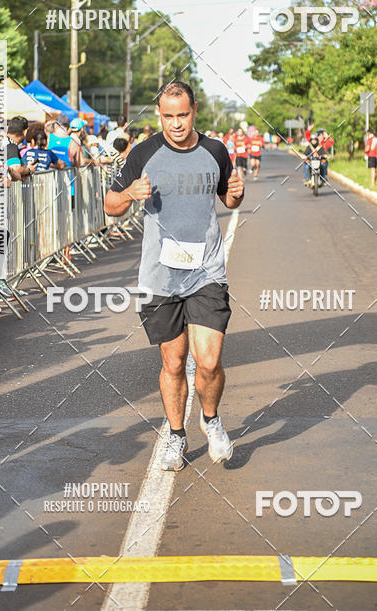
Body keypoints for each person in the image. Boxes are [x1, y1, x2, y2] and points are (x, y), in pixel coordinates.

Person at [104, 81, 245, 472]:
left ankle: (212, 420)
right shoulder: (144, 153)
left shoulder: (215, 150)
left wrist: (237, 192)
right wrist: (130, 193)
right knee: (173, 361)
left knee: (210, 360)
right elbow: (110, 205)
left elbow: (229, 198)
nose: (177, 124)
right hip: (161, 276)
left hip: (206, 271)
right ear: (159, 115)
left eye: (183, 115)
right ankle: (177, 435)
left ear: (194, 110)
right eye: (168, 116)